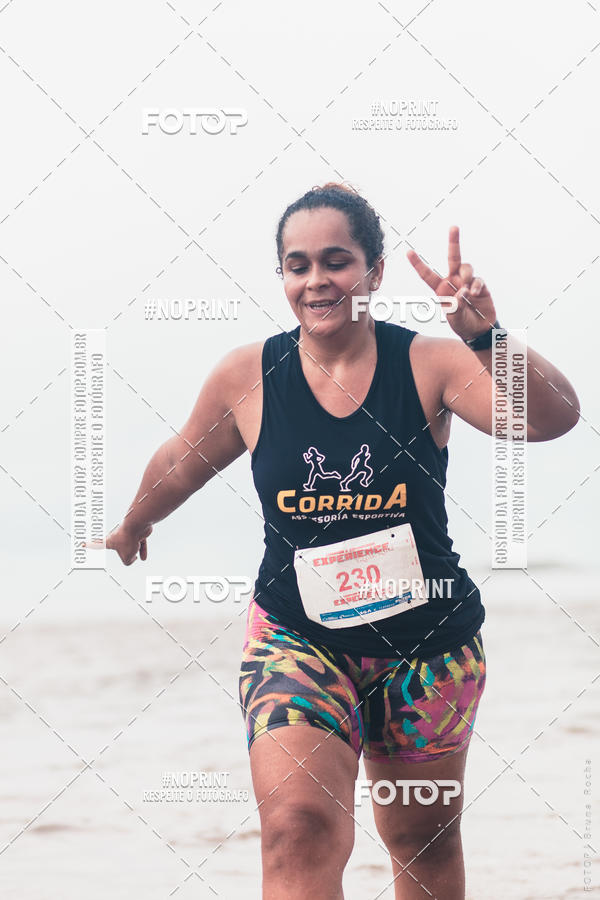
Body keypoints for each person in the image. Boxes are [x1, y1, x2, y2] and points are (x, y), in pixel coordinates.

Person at [103, 183, 580, 899]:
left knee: (422, 843)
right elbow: (181, 458)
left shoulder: (430, 363)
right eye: (297, 266)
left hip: (426, 647)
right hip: (297, 639)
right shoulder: (248, 375)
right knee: (297, 827)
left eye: (336, 261)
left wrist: (486, 337)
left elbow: (551, 418)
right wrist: (135, 522)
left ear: (375, 271)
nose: (316, 281)